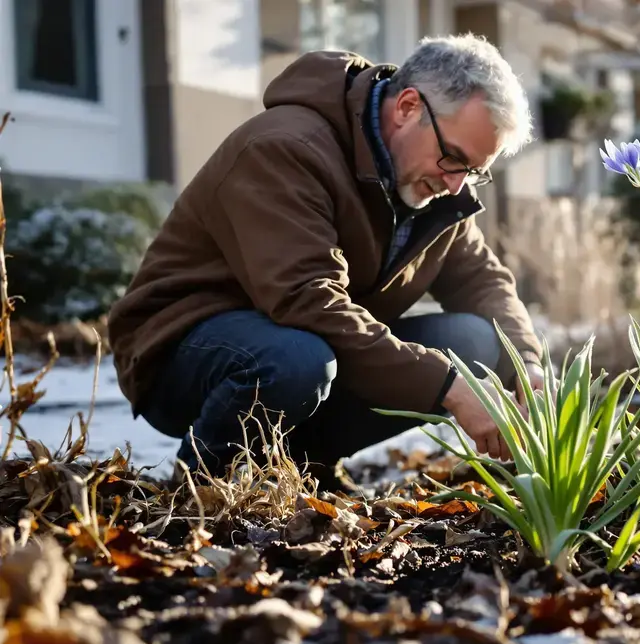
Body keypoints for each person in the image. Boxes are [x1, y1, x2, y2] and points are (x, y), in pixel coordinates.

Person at [106, 34, 545, 488]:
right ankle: (203, 487)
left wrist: (527, 364)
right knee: (298, 360)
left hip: (310, 345)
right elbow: (308, 301)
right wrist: (447, 386)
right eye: (453, 158)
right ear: (407, 107)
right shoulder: (285, 148)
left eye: (474, 171)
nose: (456, 185)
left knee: (473, 339)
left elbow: (482, 280)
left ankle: (307, 465)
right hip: (185, 353)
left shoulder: (433, 183)